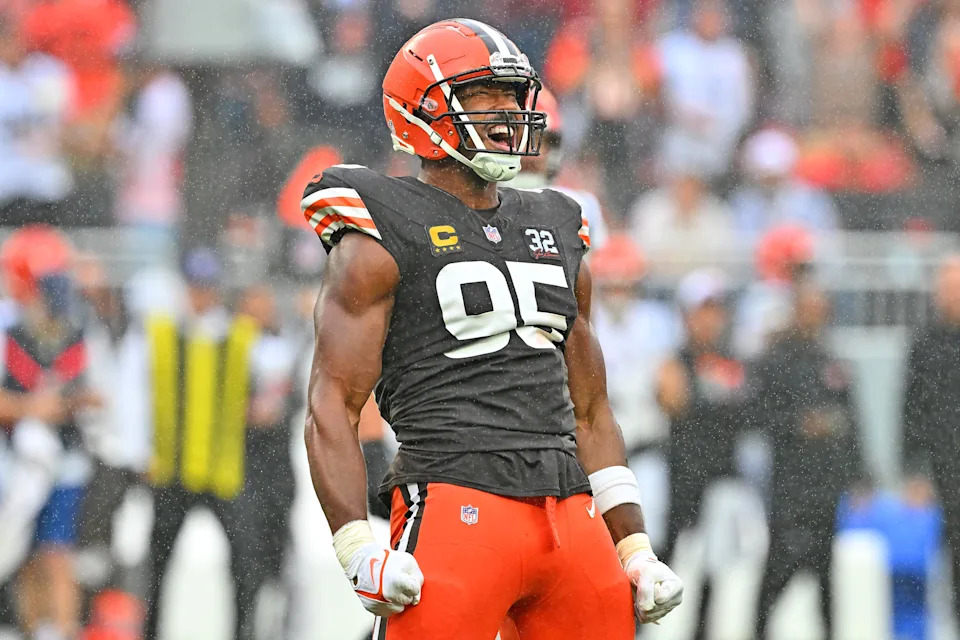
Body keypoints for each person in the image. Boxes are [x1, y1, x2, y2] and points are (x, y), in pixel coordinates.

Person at [301, 19, 683, 640]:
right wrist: (356, 548)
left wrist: (633, 545)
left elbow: (590, 412)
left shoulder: (559, 223)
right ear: (419, 111)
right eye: (484, 97)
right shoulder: (381, 224)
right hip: (455, 497)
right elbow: (331, 403)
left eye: (513, 97)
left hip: (572, 509)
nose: (508, 114)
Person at [143, 249, 270, 640]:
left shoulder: (240, 336)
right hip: (172, 469)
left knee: (244, 564)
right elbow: (139, 394)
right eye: (195, 287)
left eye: (206, 288)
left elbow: (265, 397)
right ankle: (150, 632)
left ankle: (242, 632)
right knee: (157, 566)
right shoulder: (162, 333)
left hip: (222, 471)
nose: (200, 296)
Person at [0, 225, 100, 640]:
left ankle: (58, 631)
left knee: (55, 552)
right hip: (17, 460)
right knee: (22, 553)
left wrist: (65, 402)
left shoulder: (81, 329)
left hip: (63, 456)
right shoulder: (11, 329)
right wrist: (29, 407)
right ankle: (33, 629)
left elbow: (98, 395)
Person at [752, 276, 863, 640]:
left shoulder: (833, 360)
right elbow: (760, 415)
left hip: (826, 483)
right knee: (777, 567)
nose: (815, 315)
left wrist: (860, 474)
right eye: (809, 308)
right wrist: (800, 425)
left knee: (826, 571)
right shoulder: (776, 359)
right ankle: (758, 629)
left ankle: (829, 632)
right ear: (796, 311)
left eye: (820, 309)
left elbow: (852, 420)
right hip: (790, 483)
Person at [655, 268, 746, 640]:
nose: (709, 319)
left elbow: (745, 412)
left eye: (715, 310)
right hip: (680, 472)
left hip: (721, 475)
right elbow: (673, 402)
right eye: (702, 310)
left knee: (714, 571)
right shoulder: (675, 359)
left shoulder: (733, 359)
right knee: (662, 561)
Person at [901, 254, 960, 631]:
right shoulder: (926, 344)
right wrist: (913, 470)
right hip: (947, 466)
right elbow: (911, 410)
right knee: (953, 550)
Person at [507, 87, 609, 254]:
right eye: (517, 139)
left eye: (538, 140)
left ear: (552, 146)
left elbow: (598, 271)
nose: (528, 154)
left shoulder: (580, 208)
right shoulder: (474, 206)